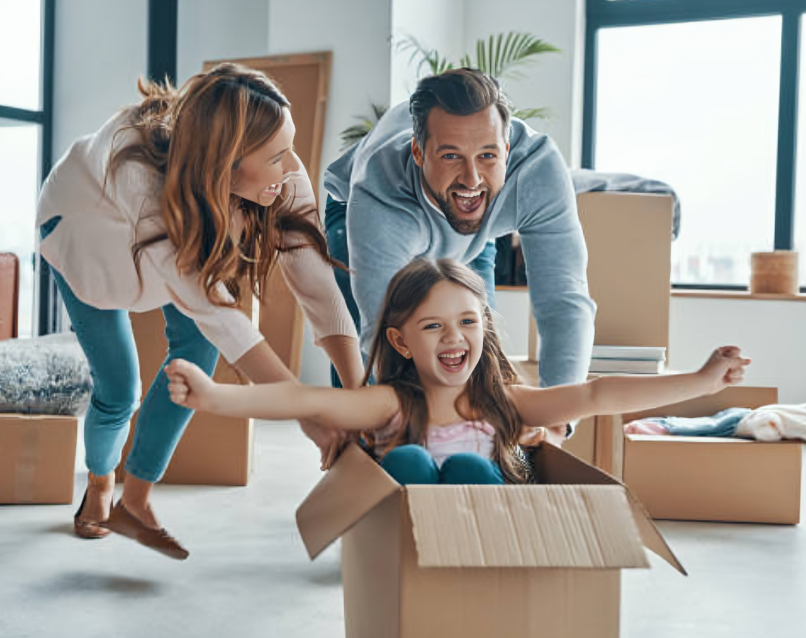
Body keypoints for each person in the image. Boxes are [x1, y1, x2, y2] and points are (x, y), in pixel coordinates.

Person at [36, 64, 362, 560]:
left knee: (197, 356)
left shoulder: (277, 175)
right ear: (228, 165)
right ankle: (101, 482)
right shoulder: (141, 183)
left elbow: (318, 287)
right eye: (277, 157)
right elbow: (225, 319)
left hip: (175, 246)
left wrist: (355, 398)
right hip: (86, 244)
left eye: (289, 146)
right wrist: (309, 413)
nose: (292, 167)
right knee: (119, 390)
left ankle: (137, 502)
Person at [165, 259, 750, 486]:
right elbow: (305, 402)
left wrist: (700, 382)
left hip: (484, 543)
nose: (454, 339)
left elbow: (598, 393)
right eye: (433, 327)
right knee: (410, 460)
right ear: (399, 340)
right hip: (407, 546)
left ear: (484, 328)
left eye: (468, 322)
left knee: (471, 463)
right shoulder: (391, 403)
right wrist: (215, 397)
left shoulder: (506, 404)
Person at [323, 69, 596, 441]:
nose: (471, 177)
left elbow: (564, 301)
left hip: (471, 226)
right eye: (451, 155)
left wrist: (555, 423)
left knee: (476, 339)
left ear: (507, 150)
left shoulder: (536, 175)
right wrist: (412, 429)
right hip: (358, 209)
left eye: (487, 156)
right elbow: (383, 331)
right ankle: (354, 452)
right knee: (360, 346)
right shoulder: (379, 192)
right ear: (419, 153)